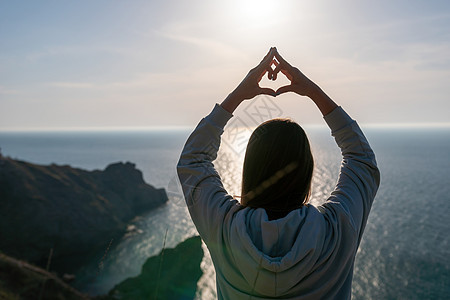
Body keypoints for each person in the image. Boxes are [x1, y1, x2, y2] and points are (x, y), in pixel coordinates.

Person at [177, 47, 380, 299]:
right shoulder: (335, 231)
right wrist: (313, 92)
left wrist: (238, 95)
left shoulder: (225, 228)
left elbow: (193, 160)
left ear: (250, 170)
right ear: (306, 172)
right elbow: (361, 160)